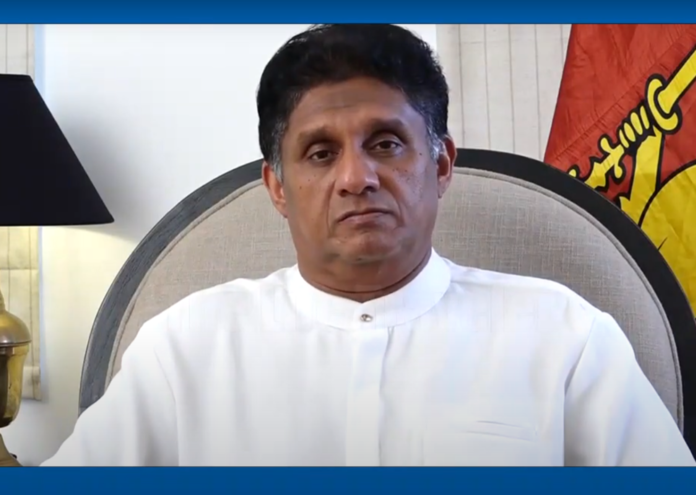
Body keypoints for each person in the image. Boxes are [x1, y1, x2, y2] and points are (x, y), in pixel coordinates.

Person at [42, 24, 695, 467]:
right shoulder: (184, 347)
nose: (356, 177)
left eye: (385, 143)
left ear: (441, 165)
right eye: (320, 153)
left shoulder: (565, 337)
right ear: (277, 186)